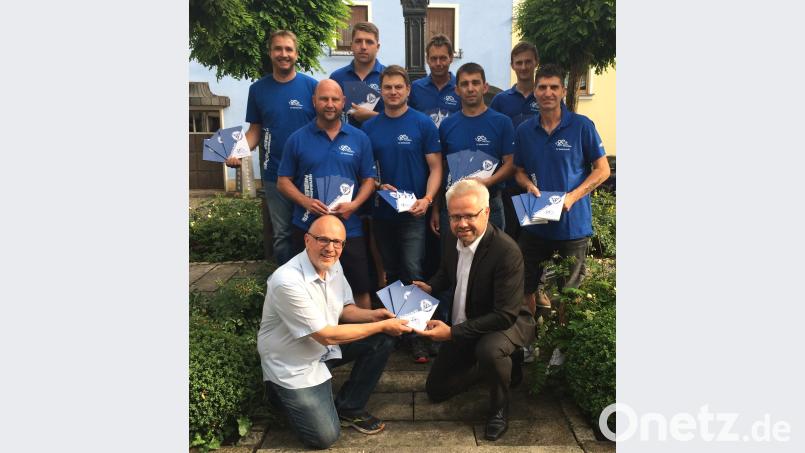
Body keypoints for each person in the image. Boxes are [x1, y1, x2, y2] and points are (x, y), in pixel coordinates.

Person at [257, 215, 412, 449]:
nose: (331, 248)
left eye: (337, 242)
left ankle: (349, 406)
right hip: (293, 364)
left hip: (324, 350)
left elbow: (346, 310)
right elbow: (325, 334)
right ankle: (280, 396)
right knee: (324, 437)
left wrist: (375, 316)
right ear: (307, 240)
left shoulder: (333, 265)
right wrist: (381, 325)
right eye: (323, 240)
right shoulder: (286, 280)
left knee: (382, 339)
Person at [412, 179, 535, 441]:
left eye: (469, 215)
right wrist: (430, 287)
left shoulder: (506, 251)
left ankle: (499, 409)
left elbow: (505, 315)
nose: (462, 223)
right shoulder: (451, 236)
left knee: (489, 349)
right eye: (455, 216)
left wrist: (452, 334)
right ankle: (497, 367)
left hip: (507, 322)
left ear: (487, 212)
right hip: (466, 322)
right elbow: (447, 272)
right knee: (437, 390)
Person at [513, 64, 610, 315]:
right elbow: (518, 170)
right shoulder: (525, 131)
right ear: (534, 91)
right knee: (524, 287)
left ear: (563, 90)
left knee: (568, 293)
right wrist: (527, 184)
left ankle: (561, 350)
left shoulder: (581, 126)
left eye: (554, 87)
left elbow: (602, 170)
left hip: (572, 226)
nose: (548, 93)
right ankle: (529, 342)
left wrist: (573, 197)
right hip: (535, 221)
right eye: (542, 87)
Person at [362, 65, 443, 363]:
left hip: (414, 213)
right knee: (393, 273)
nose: (393, 92)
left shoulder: (422, 124)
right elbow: (366, 171)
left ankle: (420, 336)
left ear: (408, 90)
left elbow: (436, 168)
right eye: (388, 88)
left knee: (413, 272)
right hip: (382, 212)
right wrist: (377, 183)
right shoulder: (369, 128)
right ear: (380, 91)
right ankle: (402, 331)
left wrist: (428, 199)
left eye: (399, 87)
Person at [277, 79, 378, 309]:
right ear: (314, 102)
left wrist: (354, 205)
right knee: (306, 290)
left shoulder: (359, 138)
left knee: (361, 288)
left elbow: (369, 181)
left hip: (349, 229)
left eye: (334, 99)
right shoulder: (297, 139)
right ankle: (318, 340)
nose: (329, 104)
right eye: (324, 99)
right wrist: (305, 201)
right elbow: (283, 182)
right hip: (308, 229)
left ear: (343, 102)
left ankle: (366, 342)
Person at [225, 30, 317, 266]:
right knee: (282, 235)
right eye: (278, 49)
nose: (283, 54)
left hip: (310, 173)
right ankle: (286, 287)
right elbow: (255, 130)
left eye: (288, 49)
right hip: (275, 175)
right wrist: (238, 151)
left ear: (296, 54)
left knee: (314, 231)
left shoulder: (312, 87)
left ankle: (314, 284)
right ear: (270, 53)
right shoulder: (258, 90)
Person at [432, 63, 516, 240]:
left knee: (491, 260)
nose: (470, 88)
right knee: (453, 261)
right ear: (457, 90)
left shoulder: (502, 122)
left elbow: (511, 164)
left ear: (485, 87)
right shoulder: (447, 125)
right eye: (464, 84)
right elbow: (441, 168)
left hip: (490, 203)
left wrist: (487, 182)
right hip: (453, 206)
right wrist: (436, 209)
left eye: (475, 83)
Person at [330, 21, 385, 127]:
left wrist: (373, 116)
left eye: (369, 42)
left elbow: (400, 117)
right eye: (358, 41)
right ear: (351, 45)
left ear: (377, 47)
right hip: (346, 141)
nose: (363, 46)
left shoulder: (388, 77)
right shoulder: (337, 77)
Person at [408, 34, 461, 126]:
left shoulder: (461, 87)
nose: (438, 63)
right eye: (433, 58)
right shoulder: (416, 88)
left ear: (451, 58)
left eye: (443, 58)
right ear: (427, 59)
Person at [489, 41, 540, 128]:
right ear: (512, 66)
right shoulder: (499, 100)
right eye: (519, 63)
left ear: (536, 62)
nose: (523, 67)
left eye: (528, 62)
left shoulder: (547, 97)